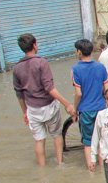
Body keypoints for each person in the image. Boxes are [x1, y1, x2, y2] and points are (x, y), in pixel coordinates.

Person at [13, 34, 77, 166]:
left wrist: (25, 112)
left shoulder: (17, 68)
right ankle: (60, 163)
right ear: (35, 45)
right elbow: (49, 88)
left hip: (32, 109)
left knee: (39, 140)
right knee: (57, 135)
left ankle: (42, 169)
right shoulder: (41, 62)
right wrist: (67, 104)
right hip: (49, 106)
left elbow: (19, 94)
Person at [72, 39, 108, 168]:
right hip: (101, 109)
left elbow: (78, 94)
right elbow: (107, 90)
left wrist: (74, 109)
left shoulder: (76, 69)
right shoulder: (100, 67)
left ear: (79, 52)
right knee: (101, 141)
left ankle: (91, 169)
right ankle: (103, 170)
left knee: (88, 143)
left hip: (86, 111)